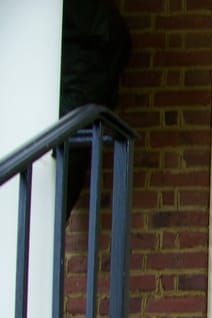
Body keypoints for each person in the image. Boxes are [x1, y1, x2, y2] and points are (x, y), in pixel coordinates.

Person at [60, 0, 131, 221]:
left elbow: (119, 39)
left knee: (53, 206)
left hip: (72, 114)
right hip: (74, 114)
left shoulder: (80, 11)